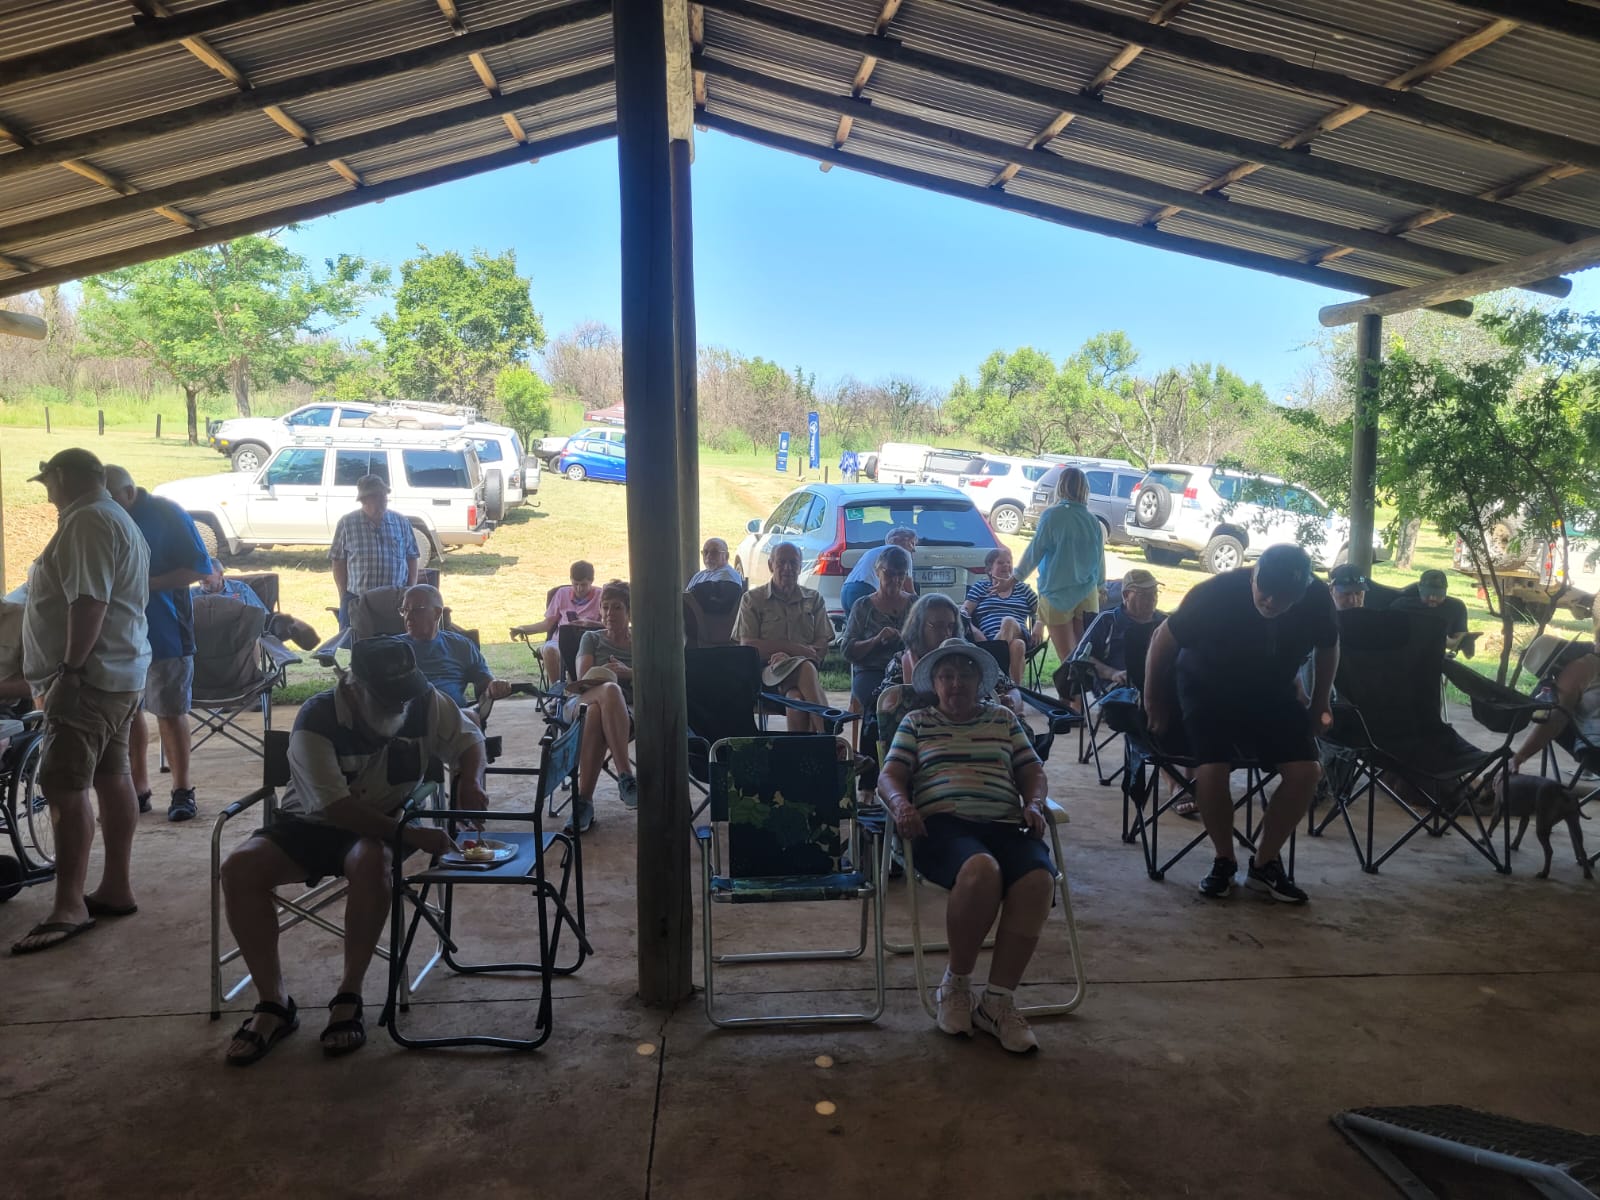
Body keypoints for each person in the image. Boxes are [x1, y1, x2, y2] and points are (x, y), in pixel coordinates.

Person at [219, 637, 487, 1064]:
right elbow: (337, 808)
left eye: (405, 694)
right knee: (238, 868)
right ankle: (273, 1003)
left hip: (382, 823)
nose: (400, 705)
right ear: (353, 685)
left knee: (371, 861)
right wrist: (413, 835)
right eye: (388, 697)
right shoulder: (317, 718)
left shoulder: (423, 700)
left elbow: (469, 739)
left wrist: (470, 780)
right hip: (311, 821)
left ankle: (349, 994)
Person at [878, 638, 1055, 1054]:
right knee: (981, 871)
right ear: (934, 683)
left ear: (980, 681)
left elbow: (1032, 770)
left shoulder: (1003, 719)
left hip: (1004, 823)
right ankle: (955, 986)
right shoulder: (916, 721)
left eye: (964, 675)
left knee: (1038, 880)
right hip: (941, 826)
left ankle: (997, 1001)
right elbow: (890, 776)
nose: (956, 683)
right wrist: (902, 806)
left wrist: (1033, 803)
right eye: (946, 676)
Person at [12, 449, 150, 956]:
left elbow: (89, 602)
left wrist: (69, 671)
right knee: (112, 776)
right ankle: (115, 887)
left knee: (63, 785)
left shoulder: (87, 521)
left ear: (62, 476)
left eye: (47, 482)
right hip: (118, 673)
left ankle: (69, 905)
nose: (47, 494)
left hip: (90, 679)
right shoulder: (113, 516)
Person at [1143, 544, 1337, 904]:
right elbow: (1162, 639)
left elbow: (1329, 646)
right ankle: (1224, 861)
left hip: (1272, 691)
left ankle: (1264, 865)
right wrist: (1153, 700)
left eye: (1284, 597)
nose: (1272, 601)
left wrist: (1321, 700)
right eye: (1266, 590)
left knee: (1306, 772)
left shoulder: (1317, 598)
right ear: (1254, 574)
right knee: (1212, 769)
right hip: (1207, 688)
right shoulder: (1215, 594)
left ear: (1302, 592)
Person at [105, 464, 211, 822]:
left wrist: (145, 584)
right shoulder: (101, 516)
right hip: (119, 635)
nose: (107, 505)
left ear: (129, 492)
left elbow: (199, 568)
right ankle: (139, 789)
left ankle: (182, 790)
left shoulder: (168, 514)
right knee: (128, 712)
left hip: (166, 631)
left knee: (170, 710)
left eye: (112, 498)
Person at [1017, 466, 1105, 687]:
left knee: (1067, 658)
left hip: (1056, 595)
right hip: (1087, 592)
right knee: (1082, 656)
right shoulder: (1092, 520)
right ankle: (1078, 702)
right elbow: (1099, 558)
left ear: (1061, 486)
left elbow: (1035, 551)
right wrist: (1101, 585)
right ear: (1084, 489)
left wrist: (1016, 576)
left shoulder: (1051, 515)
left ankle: (1072, 703)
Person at [735, 541, 834, 733]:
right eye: (781, 562)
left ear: (800, 566)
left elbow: (822, 644)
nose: (787, 568)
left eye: (793, 562)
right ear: (771, 565)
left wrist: (791, 659)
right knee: (805, 667)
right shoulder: (752, 599)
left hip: (802, 678)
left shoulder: (814, 599)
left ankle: (803, 751)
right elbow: (747, 645)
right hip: (765, 675)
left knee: (796, 701)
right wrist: (794, 649)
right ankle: (827, 738)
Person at [563, 580, 637, 833]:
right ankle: (626, 776)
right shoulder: (591, 638)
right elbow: (582, 681)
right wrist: (607, 673)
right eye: (605, 607)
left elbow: (657, 678)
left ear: (629, 612)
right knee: (609, 690)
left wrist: (629, 672)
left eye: (617, 607)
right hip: (581, 701)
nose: (609, 613)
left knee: (595, 714)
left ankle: (583, 803)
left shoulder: (640, 642)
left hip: (618, 713)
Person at [398, 584, 511, 721]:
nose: (408, 616)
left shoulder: (460, 646)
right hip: (406, 718)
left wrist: (494, 686)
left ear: (437, 613)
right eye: (404, 610)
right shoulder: (392, 647)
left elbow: (484, 682)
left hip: (452, 718)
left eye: (417, 610)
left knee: (470, 717)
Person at [329, 474, 419, 631]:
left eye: (384, 495)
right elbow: (338, 561)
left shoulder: (401, 522)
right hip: (358, 600)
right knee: (354, 642)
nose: (382, 500)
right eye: (376, 496)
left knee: (397, 643)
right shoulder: (347, 523)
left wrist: (410, 591)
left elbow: (412, 557)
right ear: (363, 500)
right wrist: (343, 596)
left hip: (396, 602)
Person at [1511, 618, 1600, 775]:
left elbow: (1555, 719)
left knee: (1553, 715)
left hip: (1595, 751)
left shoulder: (1583, 667)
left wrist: (1519, 757)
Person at [841, 545, 914, 717]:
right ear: (877, 572)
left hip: (908, 670)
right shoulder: (863, 606)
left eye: (901, 575)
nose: (895, 580)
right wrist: (875, 641)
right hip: (872, 671)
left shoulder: (914, 604)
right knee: (883, 702)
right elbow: (847, 650)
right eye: (889, 574)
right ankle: (876, 733)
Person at [197, 558, 321, 650]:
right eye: (199, 573)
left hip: (242, 631)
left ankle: (300, 639)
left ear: (220, 574)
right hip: (208, 635)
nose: (202, 578)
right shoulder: (193, 594)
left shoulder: (240, 588)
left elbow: (260, 612)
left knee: (278, 621)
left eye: (206, 573)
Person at [511, 560, 601, 685]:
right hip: (560, 641)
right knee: (549, 649)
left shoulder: (601, 596)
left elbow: (609, 626)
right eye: (575, 584)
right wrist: (523, 628)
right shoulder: (561, 594)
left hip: (588, 643)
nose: (579, 589)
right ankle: (556, 689)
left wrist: (591, 624)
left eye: (584, 585)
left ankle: (579, 688)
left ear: (592, 581)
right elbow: (547, 624)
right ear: (570, 580)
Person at [964, 546, 1043, 683]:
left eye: (1009, 562)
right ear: (989, 569)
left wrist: (1040, 624)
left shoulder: (1022, 589)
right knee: (1017, 645)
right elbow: (964, 612)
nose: (1006, 565)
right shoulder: (981, 587)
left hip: (1019, 633)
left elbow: (1043, 609)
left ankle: (994, 674)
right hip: (988, 640)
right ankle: (1014, 690)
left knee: (1008, 622)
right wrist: (974, 630)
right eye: (1000, 562)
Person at [1081, 568, 1166, 691]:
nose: (1152, 599)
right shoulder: (1108, 620)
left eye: (1155, 593)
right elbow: (1082, 657)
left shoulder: (1164, 622)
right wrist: (1112, 673)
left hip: (1160, 685)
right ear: (1126, 595)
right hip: (1118, 687)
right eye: (1144, 595)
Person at [840, 526, 918, 615]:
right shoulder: (902, 553)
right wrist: (920, 607)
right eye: (912, 543)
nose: (914, 549)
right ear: (900, 540)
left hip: (846, 591)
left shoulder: (873, 551)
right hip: (865, 590)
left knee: (854, 623)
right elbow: (909, 589)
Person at [1392, 568, 1469, 651]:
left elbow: (1460, 639)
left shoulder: (1456, 607)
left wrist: (1448, 641)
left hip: (1435, 655)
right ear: (1419, 588)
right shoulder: (1402, 605)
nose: (1433, 598)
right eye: (1427, 594)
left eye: (1439, 595)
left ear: (1445, 591)